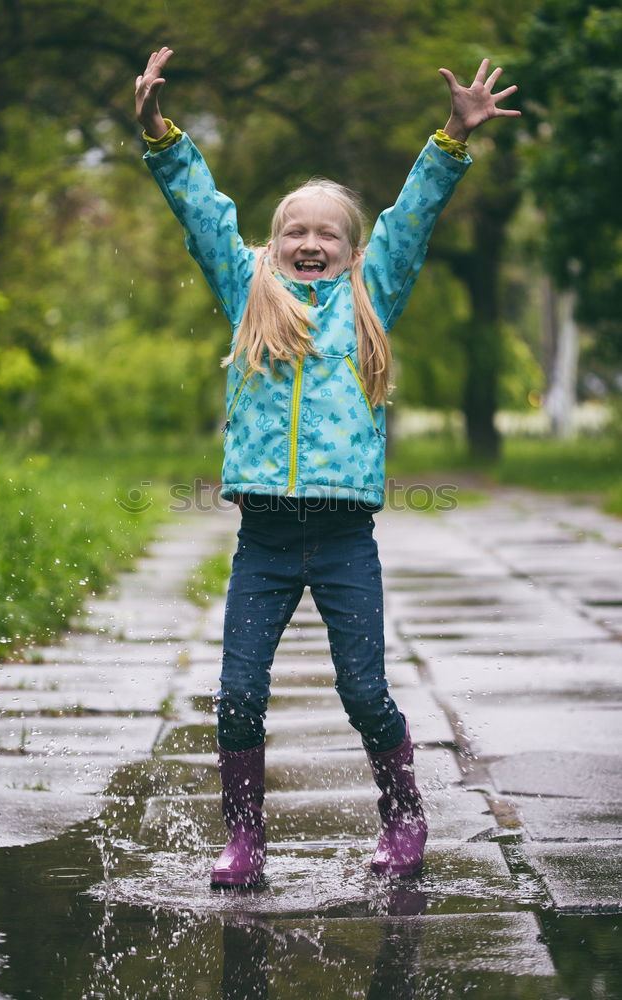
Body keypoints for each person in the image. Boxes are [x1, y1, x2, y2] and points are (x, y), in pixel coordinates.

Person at [135, 47, 520, 888]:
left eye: (327, 233)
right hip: (263, 540)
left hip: (345, 540)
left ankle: (405, 815)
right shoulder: (247, 290)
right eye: (293, 231)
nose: (310, 242)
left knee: (364, 692)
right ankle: (244, 840)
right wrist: (161, 136)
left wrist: (453, 138)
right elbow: (201, 210)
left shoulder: (370, 294)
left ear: (351, 248)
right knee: (236, 694)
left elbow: (411, 215)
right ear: (270, 244)